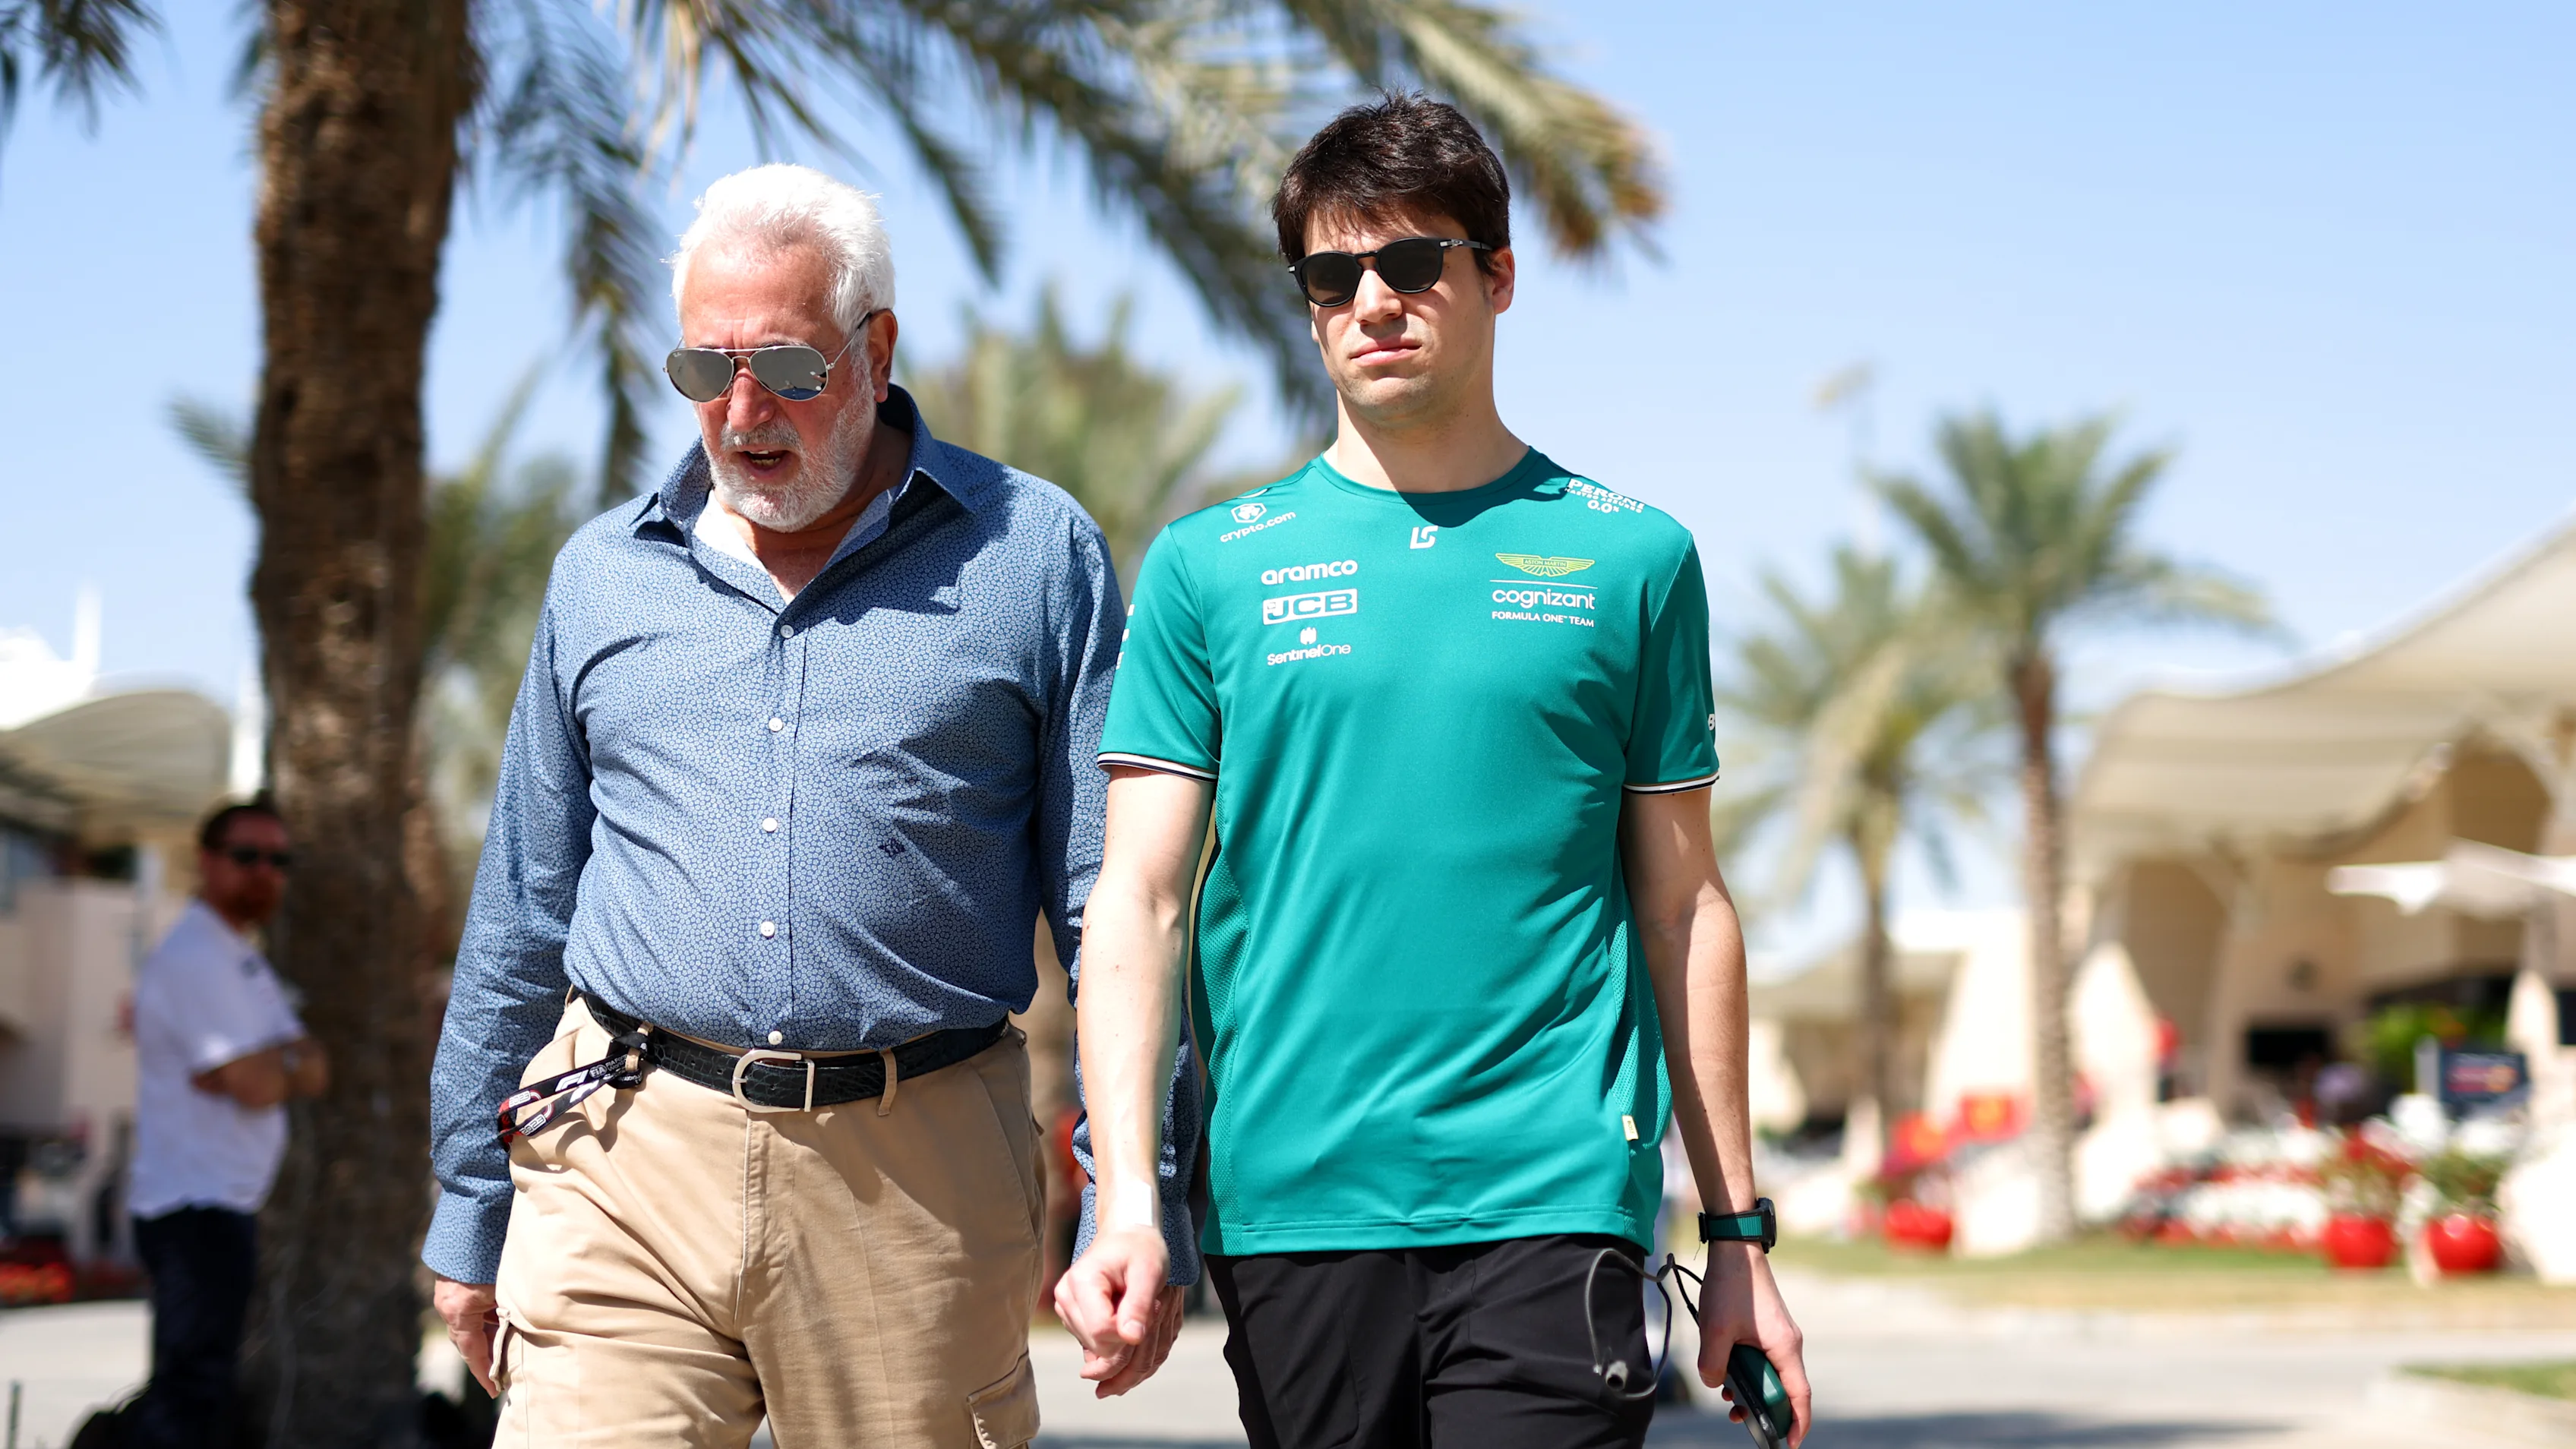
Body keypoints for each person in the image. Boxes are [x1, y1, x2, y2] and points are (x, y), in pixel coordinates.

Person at [1056, 95, 1813, 1449]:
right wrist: (1128, 1199)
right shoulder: (1208, 565)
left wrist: (1737, 1235)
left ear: (1498, 275)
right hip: (1295, 1203)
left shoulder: (1632, 559)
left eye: (1413, 263)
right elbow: (1141, 901)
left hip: (1553, 1198)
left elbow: (1684, 907)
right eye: (1331, 277)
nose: (1373, 303)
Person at [423, 162, 1193, 1447]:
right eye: (703, 369)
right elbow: (522, 907)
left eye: (785, 368)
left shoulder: (1033, 553)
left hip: (915, 1176)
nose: (741, 413)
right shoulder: (602, 575)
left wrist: (1134, 1194)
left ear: (875, 350)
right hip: (620, 1153)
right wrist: (468, 1207)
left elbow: (1111, 903)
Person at [123, 800, 329, 1449]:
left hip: (220, 1205)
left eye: (279, 860)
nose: (264, 872)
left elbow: (314, 1068)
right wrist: (277, 1061)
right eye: (247, 856)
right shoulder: (196, 956)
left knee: (200, 1391)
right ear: (206, 861)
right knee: (190, 1396)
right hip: (193, 1206)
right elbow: (262, 1085)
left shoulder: (238, 958)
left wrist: (274, 1062)